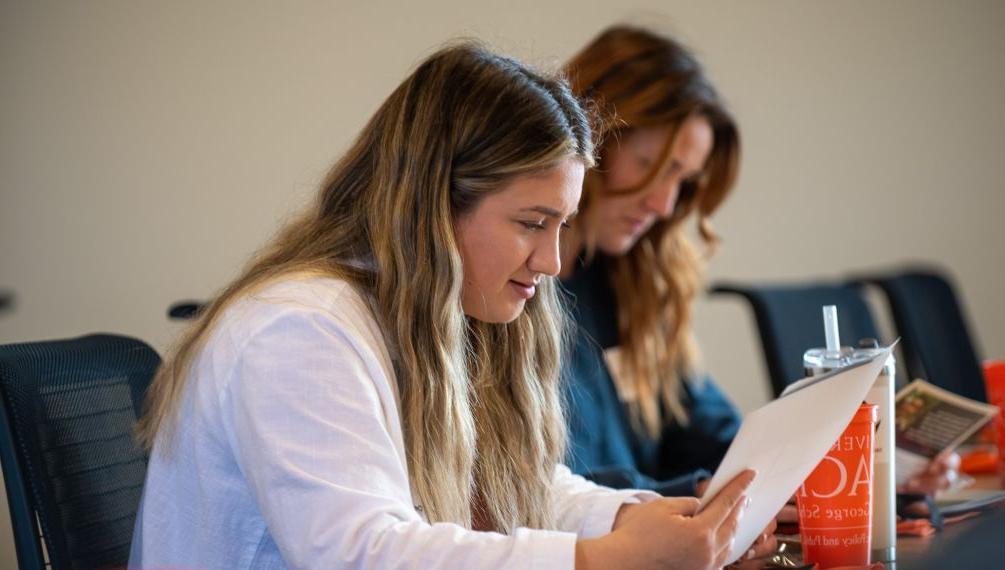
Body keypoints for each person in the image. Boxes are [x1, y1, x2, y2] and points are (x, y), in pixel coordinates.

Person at [131, 42, 758, 569]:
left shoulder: (446, 308)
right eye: (533, 222)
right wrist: (602, 558)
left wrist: (638, 519)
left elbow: (516, 485)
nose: (553, 262)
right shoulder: (299, 329)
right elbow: (361, 553)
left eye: (561, 225)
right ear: (433, 206)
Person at [558, 24, 957, 526]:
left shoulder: (634, 282)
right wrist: (704, 493)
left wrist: (838, 473)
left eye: (683, 182)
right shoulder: (513, 290)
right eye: (650, 164)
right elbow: (551, 485)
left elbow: (706, 430)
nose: (664, 205)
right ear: (589, 138)